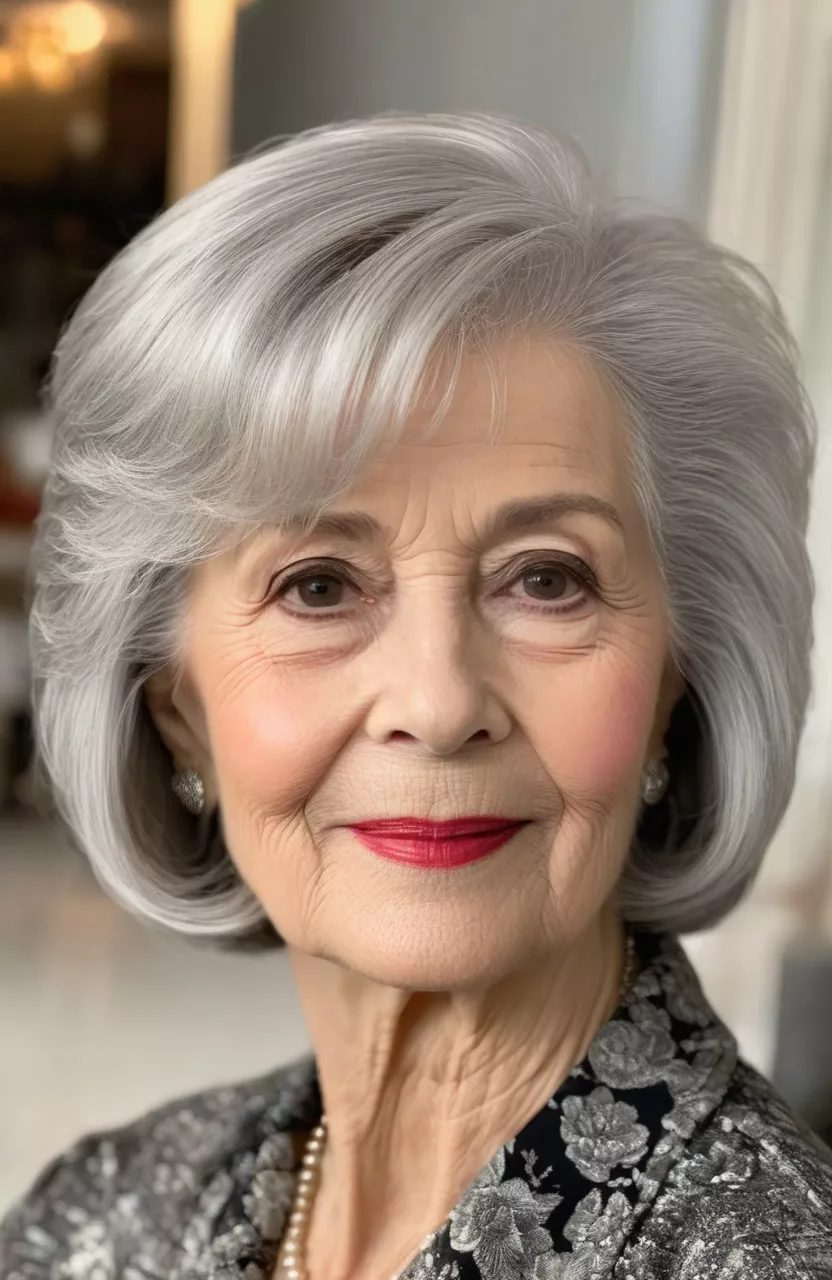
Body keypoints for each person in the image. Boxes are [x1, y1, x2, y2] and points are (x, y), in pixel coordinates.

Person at [1, 113, 831, 1280]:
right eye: (319, 585)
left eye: (547, 579)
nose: (439, 703)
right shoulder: (99, 1218)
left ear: (673, 682)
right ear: (173, 705)